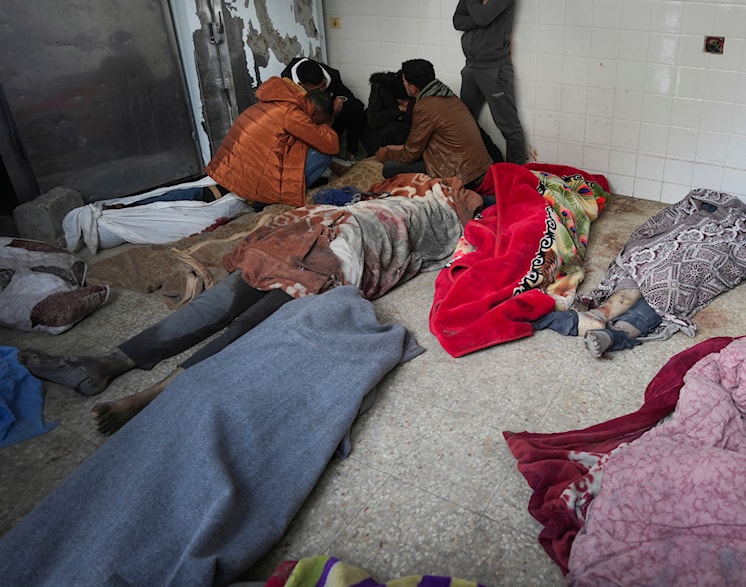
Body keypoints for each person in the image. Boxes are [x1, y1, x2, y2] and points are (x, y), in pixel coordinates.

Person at [17, 177, 483, 434]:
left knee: (246, 314)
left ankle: (143, 387)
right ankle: (108, 363)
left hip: (358, 239)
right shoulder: (424, 189)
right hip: (338, 228)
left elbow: (449, 228)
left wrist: (420, 201)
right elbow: (406, 191)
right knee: (233, 301)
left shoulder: (438, 206)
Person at [206, 78, 338, 208]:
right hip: (253, 181)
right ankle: (270, 198)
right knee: (323, 152)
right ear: (314, 112)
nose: (316, 124)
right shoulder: (293, 114)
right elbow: (331, 146)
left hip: (232, 168)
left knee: (305, 143)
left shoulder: (281, 100)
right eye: (318, 121)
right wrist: (327, 125)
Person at [452, 0, 529, 165]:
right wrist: (477, 6)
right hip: (471, 67)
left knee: (509, 126)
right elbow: (457, 21)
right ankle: (482, 165)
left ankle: (517, 175)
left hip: (494, 68)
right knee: (465, 122)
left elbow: (484, 18)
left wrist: (474, 0)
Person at [375, 58, 492, 189]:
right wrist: (397, 148)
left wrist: (386, 155)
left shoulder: (424, 107)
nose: (403, 85)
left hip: (462, 175)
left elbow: (410, 154)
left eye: (404, 82)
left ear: (413, 88)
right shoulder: (446, 93)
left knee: (389, 168)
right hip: (479, 168)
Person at [282, 57, 365, 161]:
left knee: (355, 106)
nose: (322, 90)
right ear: (301, 85)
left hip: (330, 116)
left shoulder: (331, 75)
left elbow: (347, 94)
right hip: (307, 123)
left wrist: (340, 99)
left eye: (323, 85)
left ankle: (351, 154)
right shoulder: (287, 85)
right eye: (317, 89)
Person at [361, 69, 413, 156]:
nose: (406, 102)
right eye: (402, 100)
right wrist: (399, 109)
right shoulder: (381, 88)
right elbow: (373, 120)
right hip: (379, 126)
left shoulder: (415, 90)